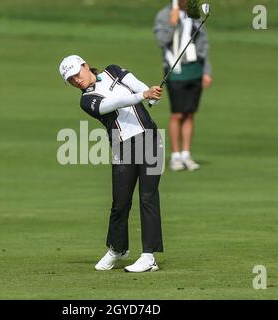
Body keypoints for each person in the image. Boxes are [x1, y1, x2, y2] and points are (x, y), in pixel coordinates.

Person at [59, 55, 164, 272]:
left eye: (76, 74)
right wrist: (142, 95)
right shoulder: (87, 101)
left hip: (150, 138)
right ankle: (117, 249)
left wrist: (152, 96)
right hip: (122, 147)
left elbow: (137, 85)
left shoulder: (113, 71)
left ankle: (148, 256)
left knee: (148, 197)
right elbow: (112, 104)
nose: (76, 81)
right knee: (120, 203)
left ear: (85, 66)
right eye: (71, 80)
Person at [154, 0, 213, 171]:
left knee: (189, 113)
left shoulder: (194, 15)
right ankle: (175, 156)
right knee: (177, 114)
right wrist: (172, 24)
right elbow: (161, 41)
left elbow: (203, 44)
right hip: (175, 70)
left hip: (194, 70)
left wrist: (206, 71)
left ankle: (186, 154)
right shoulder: (164, 15)